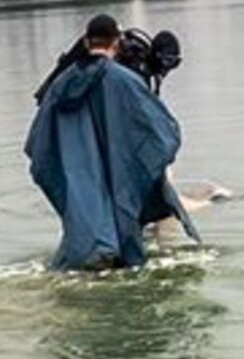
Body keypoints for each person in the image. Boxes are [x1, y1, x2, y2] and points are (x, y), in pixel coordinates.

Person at [26, 14, 200, 271]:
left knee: (89, 218)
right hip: (120, 174)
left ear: (86, 41)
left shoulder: (60, 85)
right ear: (116, 42)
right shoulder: (126, 80)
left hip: (80, 174)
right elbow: (162, 133)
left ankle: (94, 249)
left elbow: (37, 146)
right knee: (125, 224)